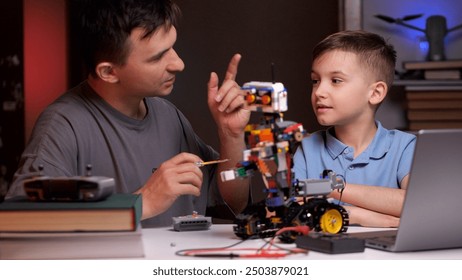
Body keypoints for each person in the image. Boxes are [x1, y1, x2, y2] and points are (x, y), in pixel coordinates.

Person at [6, 0, 251, 227]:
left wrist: (231, 136)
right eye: (157, 57)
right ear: (109, 72)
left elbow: (233, 202)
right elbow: (21, 224)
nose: (178, 64)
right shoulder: (62, 126)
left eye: (172, 47)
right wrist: (141, 203)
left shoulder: (169, 116)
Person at [293, 30, 416, 228]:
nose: (319, 92)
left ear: (375, 93)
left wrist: (328, 190)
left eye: (336, 80)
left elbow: (415, 203)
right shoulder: (308, 149)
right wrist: (352, 214)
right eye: (315, 81)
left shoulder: (405, 147)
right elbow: (285, 209)